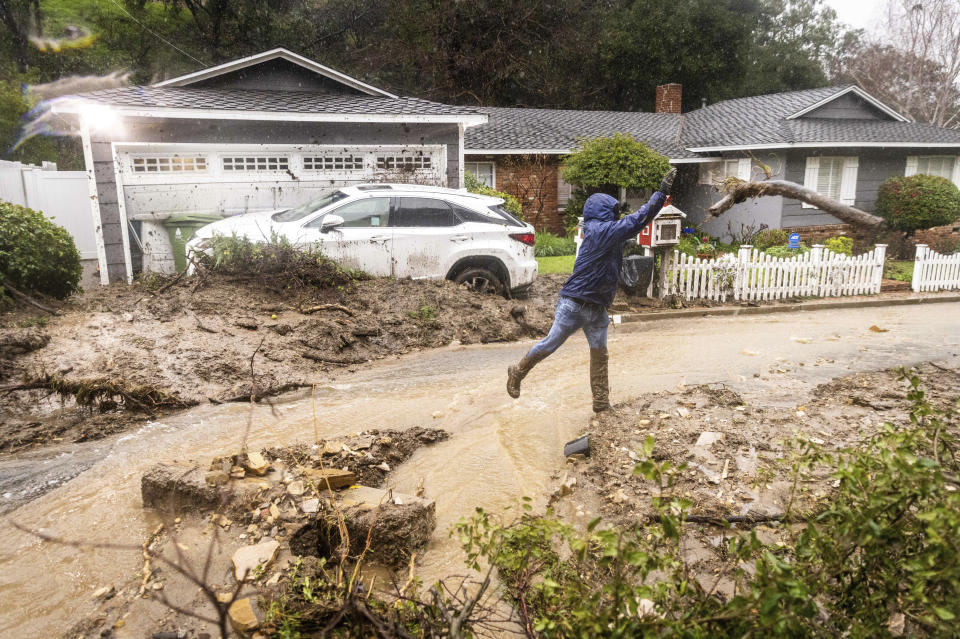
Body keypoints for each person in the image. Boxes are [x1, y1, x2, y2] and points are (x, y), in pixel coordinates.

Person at [506, 167, 677, 412]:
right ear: (604, 213)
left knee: (600, 356)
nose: (617, 215)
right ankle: (517, 371)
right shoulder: (600, 232)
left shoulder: (603, 232)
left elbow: (627, 227)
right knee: (549, 345)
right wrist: (660, 193)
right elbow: (636, 221)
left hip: (597, 309)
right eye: (614, 211)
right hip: (574, 304)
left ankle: (601, 405)